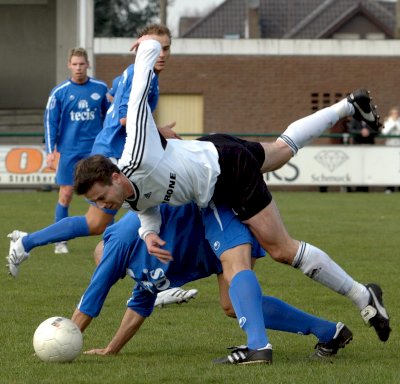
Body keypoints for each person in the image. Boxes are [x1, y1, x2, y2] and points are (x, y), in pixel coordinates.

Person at [72, 37, 390, 363]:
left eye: (100, 197)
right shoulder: (122, 196)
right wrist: (148, 233)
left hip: (226, 176)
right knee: (280, 151)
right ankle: (349, 104)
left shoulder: (136, 152)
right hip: (212, 150)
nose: (102, 206)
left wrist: (149, 46)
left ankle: (360, 296)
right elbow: (147, 209)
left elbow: (139, 87)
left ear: (114, 176)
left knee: (281, 248)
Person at [6, 25, 195, 308]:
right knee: (159, 211)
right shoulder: (138, 75)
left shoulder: (132, 75)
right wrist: (159, 132)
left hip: (116, 152)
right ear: (141, 47)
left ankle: (25, 242)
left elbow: (116, 90)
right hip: (115, 159)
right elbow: (124, 118)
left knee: (97, 224)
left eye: (166, 48)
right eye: (156, 47)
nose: (162, 54)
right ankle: (154, 284)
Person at [71, 203, 353, 363]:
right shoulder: (134, 268)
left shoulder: (122, 238)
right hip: (210, 252)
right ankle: (330, 332)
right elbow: (138, 308)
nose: (113, 274)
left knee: (237, 301)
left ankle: (261, 349)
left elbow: (92, 298)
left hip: (220, 225)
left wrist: (68, 335)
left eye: (109, 269)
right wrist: (112, 349)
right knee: (231, 306)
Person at [44, 47, 110, 254]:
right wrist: (50, 149)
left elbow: (110, 119)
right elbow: (50, 121)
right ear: (69, 65)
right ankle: (60, 241)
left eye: (82, 64)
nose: (78, 68)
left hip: (95, 151)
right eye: (75, 64)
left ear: (87, 64)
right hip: (70, 151)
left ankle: (110, 239)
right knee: (66, 194)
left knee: (104, 194)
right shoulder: (59, 92)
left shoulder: (100, 88)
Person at [346, 117, 378, 192]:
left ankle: (365, 188)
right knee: (357, 167)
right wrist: (360, 131)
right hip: (357, 146)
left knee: (368, 167)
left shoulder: (372, 119)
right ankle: (358, 187)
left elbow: (377, 130)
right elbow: (351, 130)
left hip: (369, 146)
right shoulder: (355, 119)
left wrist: (369, 132)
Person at [381, 106, 400, 193]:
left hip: (399, 148)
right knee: (390, 168)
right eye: (394, 113)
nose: (396, 115)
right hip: (390, 147)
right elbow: (384, 133)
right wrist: (393, 124)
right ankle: (389, 188)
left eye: (397, 113)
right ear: (391, 114)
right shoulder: (388, 122)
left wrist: (397, 123)